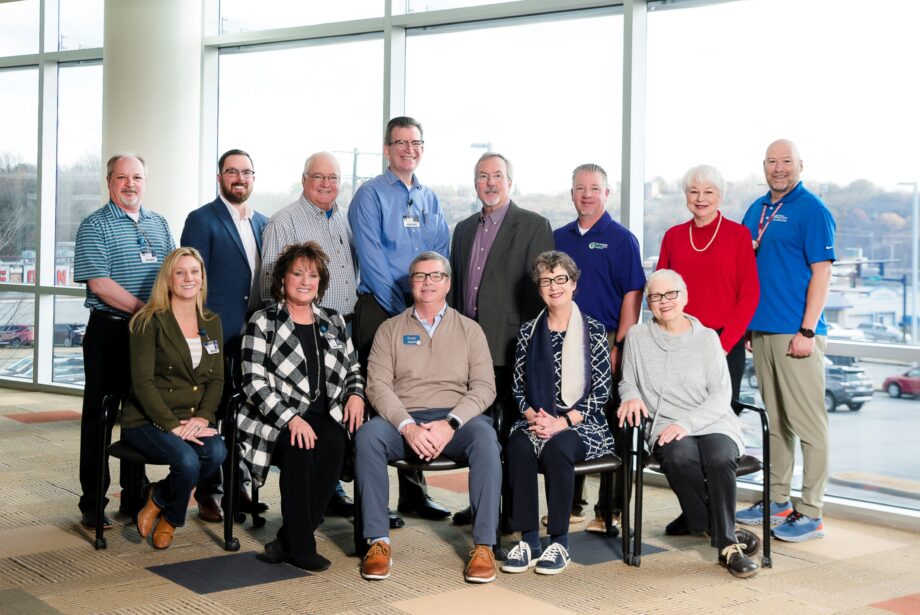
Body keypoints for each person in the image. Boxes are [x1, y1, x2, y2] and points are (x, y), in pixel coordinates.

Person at [356, 252, 500, 583]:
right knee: (368, 437)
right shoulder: (389, 330)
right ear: (411, 284)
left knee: (486, 438)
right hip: (403, 419)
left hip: (456, 422)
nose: (427, 283)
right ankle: (377, 541)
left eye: (435, 276)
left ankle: (484, 546)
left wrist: (450, 424)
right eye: (420, 276)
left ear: (448, 283)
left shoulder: (470, 330)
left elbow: (484, 388)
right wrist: (407, 426)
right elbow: (377, 387)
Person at [617, 269, 760, 578]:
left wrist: (688, 423)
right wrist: (630, 396)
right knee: (680, 457)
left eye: (671, 294)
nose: (664, 301)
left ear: (684, 297)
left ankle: (725, 546)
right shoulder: (638, 337)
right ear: (649, 303)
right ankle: (725, 533)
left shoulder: (707, 338)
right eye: (655, 296)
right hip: (665, 422)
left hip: (713, 420)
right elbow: (628, 382)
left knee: (721, 458)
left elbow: (722, 395)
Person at [349, 116, 451, 523]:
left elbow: (440, 254)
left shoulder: (429, 198)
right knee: (376, 400)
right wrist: (405, 312)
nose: (409, 149)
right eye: (400, 142)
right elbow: (372, 262)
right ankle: (369, 504)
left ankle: (414, 495)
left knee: (419, 394)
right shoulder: (370, 195)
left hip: (422, 311)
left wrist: (428, 306)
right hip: (381, 309)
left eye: (416, 143)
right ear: (387, 149)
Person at [238, 242, 365, 571]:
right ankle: (301, 546)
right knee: (300, 448)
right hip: (275, 419)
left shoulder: (333, 321)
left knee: (335, 442)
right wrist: (291, 419)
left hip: (325, 416)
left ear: (321, 283)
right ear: (282, 279)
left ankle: (288, 539)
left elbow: (353, 369)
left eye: (313, 275)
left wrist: (355, 394)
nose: (305, 281)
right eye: (297, 273)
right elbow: (253, 381)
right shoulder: (263, 321)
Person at [736, 139, 836, 542]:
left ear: (800, 165)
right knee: (775, 424)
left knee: (809, 426)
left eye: (787, 162)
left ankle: (811, 512)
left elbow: (822, 273)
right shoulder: (756, 210)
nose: (779, 168)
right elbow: (745, 268)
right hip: (762, 332)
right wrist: (747, 326)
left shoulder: (813, 210)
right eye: (772, 162)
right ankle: (777, 500)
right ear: (764, 166)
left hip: (797, 333)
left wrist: (808, 331)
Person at [449, 152, 553, 527]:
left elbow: (541, 291)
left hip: (511, 346)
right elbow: (457, 290)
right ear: (474, 183)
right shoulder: (462, 229)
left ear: (510, 181)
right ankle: (482, 503)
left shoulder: (533, 224)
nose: (490, 183)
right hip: (468, 346)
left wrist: (532, 348)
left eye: (497, 176)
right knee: (477, 430)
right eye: (482, 176)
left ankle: (510, 513)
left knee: (511, 429)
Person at [74, 154, 176, 529]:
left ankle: (135, 497)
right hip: (110, 332)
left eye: (137, 177)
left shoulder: (159, 223)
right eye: (122, 177)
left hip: (148, 335)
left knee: (141, 414)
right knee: (100, 416)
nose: (130, 184)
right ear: (109, 181)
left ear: (145, 181)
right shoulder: (95, 225)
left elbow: (173, 270)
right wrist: (145, 310)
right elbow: (99, 283)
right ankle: (92, 501)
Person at [500, 251, 615, 576]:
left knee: (557, 449)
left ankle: (560, 542)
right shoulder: (527, 333)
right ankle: (529, 541)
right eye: (546, 281)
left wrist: (563, 422)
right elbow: (518, 388)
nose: (554, 286)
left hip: (583, 424)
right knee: (519, 447)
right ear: (539, 289)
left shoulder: (593, 330)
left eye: (561, 279)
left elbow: (601, 392)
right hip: (537, 419)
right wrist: (531, 415)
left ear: (574, 284)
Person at [259, 151, 359, 519]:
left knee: (337, 411)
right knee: (312, 413)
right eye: (318, 177)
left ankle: (330, 486)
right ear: (304, 180)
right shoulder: (283, 223)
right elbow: (269, 288)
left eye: (333, 178)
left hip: (338, 326)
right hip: (296, 329)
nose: (327, 184)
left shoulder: (344, 220)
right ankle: (325, 492)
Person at [554, 163, 645, 533]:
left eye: (594, 188)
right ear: (572, 193)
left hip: (606, 340)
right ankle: (572, 503)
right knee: (567, 417)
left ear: (607, 194)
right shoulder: (559, 236)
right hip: (564, 339)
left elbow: (633, 295)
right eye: (580, 188)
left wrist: (619, 345)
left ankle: (610, 510)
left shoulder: (622, 239)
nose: (586, 194)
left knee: (610, 423)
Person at [180, 148, 268, 522]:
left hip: (253, 336)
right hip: (215, 332)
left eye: (246, 172)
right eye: (232, 171)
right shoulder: (201, 219)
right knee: (214, 410)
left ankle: (238, 485)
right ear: (220, 177)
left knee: (245, 412)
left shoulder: (263, 222)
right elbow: (190, 281)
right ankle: (208, 492)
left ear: (253, 178)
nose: (239, 178)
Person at [121, 247, 227, 550]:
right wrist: (172, 426)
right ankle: (173, 519)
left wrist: (203, 417)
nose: (188, 278)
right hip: (148, 418)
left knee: (217, 453)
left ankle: (160, 500)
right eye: (180, 272)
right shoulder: (148, 321)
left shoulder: (211, 321)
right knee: (187, 459)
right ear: (168, 279)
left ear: (202, 278)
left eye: (195, 271)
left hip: (192, 416)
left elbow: (216, 378)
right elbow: (142, 384)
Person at [656, 164, 760, 409]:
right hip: (678, 342)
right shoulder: (673, 236)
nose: (700, 198)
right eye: (693, 191)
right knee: (677, 417)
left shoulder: (738, 235)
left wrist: (722, 346)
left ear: (720, 196)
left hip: (724, 343)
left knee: (721, 421)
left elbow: (750, 294)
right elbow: (659, 293)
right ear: (686, 196)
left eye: (709, 192)